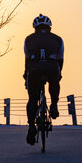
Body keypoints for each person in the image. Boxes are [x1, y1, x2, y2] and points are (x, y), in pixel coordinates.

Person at [24, 14, 64, 145]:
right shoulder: (58, 39)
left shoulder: (28, 39)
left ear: (35, 28)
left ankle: (31, 127)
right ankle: (54, 105)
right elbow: (60, 60)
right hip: (52, 68)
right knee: (54, 82)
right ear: (49, 28)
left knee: (32, 99)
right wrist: (59, 74)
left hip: (34, 69)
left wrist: (26, 74)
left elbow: (27, 59)